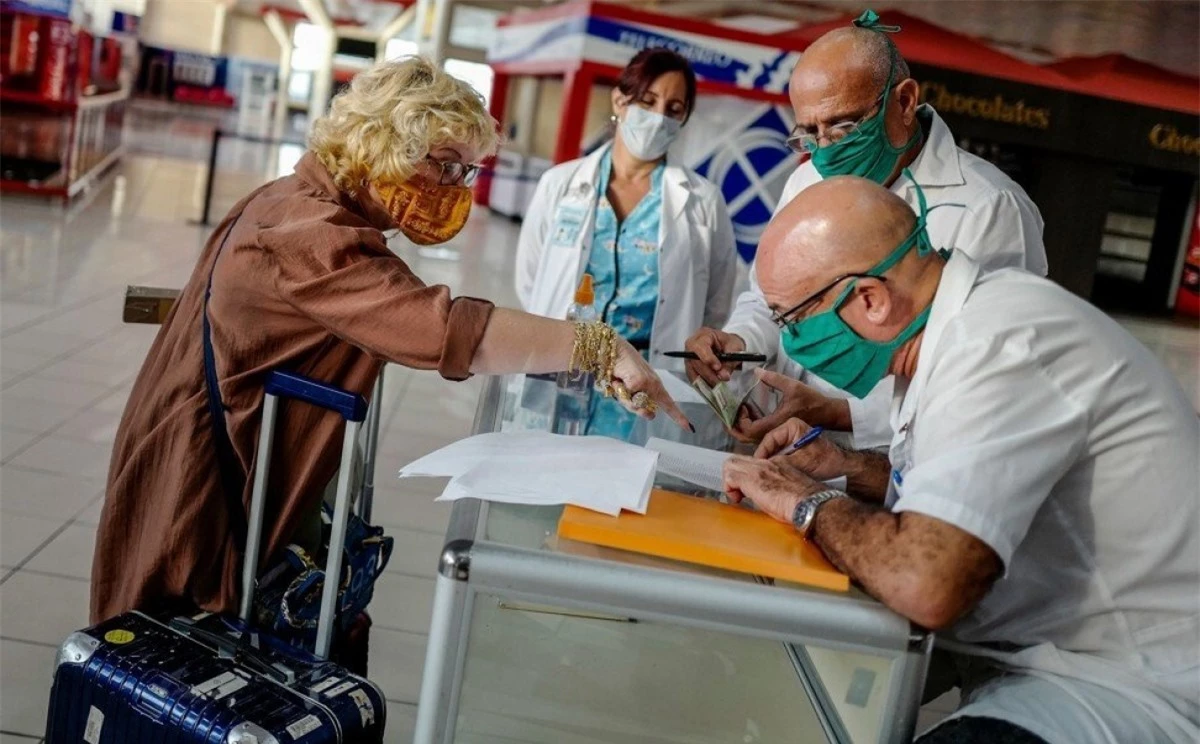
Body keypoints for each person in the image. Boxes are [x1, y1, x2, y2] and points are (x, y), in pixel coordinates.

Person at [90, 57, 689, 626]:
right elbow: (438, 328)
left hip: (230, 461)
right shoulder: (307, 229)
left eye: (467, 170)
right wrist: (597, 346)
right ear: (385, 144)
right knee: (180, 665)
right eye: (446, 163)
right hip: (202, 489)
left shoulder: (304, 202)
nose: (456, 186)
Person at [722, 175, 1199, 744]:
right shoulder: (963, 328)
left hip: (1135, 686)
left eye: (790, 320)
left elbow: (927, 582)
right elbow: (972, 487)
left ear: (870, 299)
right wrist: (851, 468)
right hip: (1053, 657)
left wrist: (806, 503)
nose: (792, 341)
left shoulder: (997, 343)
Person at [685, 11, 1046, 450]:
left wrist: (838, 413)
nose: (826, 150)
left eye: (842, 127)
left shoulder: (989, 208)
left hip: (890, 464)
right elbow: (768, 299)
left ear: (905, 101)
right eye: (810, 135)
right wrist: (737, 342)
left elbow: (990, 377)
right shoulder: (807, 181)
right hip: (782, 444)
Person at [516, 47, 738, 438]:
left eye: (673, 109)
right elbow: (531, 280)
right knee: (547, 482)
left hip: (647, 383)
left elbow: (715, 304)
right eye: (648, 101)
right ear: (620, 99)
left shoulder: (703, 200)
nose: (658, 118)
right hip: (563, 368)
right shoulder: (561, 184)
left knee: (628, 492)